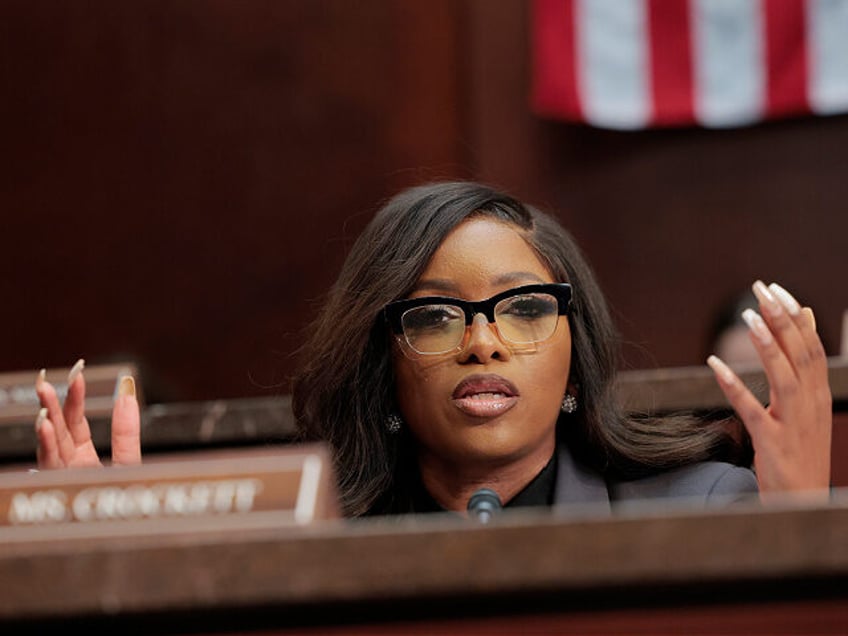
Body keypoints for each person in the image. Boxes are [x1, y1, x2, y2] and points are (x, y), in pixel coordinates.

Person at [33, 181, 833, 517]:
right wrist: (120, 564)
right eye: (435, 318)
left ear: (572, 355)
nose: (482, 344)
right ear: (381, 361)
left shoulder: (702, 509)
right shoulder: (302, 537)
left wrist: (795, 531)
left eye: (523, 310)